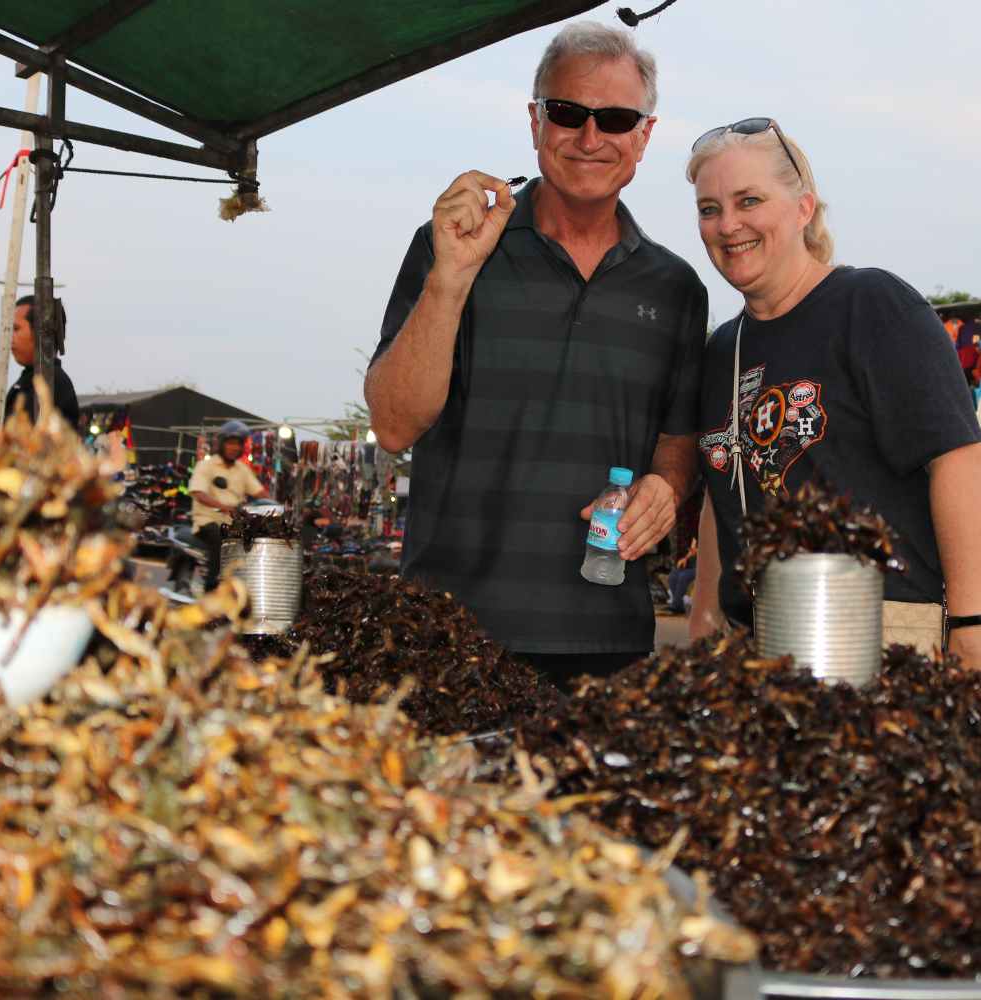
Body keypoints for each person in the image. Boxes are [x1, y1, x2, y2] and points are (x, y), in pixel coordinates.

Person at [365, 23, 708, 685]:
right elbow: (393, 423)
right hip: (447, 638)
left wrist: (666, 487)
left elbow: (677, 440)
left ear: (643, 136)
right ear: (535, 120)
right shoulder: (454, 244)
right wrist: (451, 276)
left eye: (614, 119)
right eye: (567, 113)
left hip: (607, 645)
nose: (589, 138)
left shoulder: (676, 289)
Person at [685, 117, 981, 664]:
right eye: (709, 208)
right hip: (761, 647)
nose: (728, 225)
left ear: (803, 208)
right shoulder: (722, 348)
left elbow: (958, 460)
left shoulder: (871, 305)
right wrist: (705, 612)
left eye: (749, 200)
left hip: (883, 639)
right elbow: (723, 481)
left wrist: (970, 622)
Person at [177, 419, 268, 594]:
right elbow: (198, 493)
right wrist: (225, 507)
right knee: (222, 543)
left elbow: (260, 493)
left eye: (238, 444)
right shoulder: (206, 466)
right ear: (221, 444)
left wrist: (276, 507)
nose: (234, 447)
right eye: (230, 443)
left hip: (235, 524)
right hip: (208, 522)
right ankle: (212, 591)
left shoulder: (242, 470)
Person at [5, 294, 79, 429]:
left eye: (16, 329)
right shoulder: (28, 381)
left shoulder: (50, 382)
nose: (10, 337)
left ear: (41, 332)